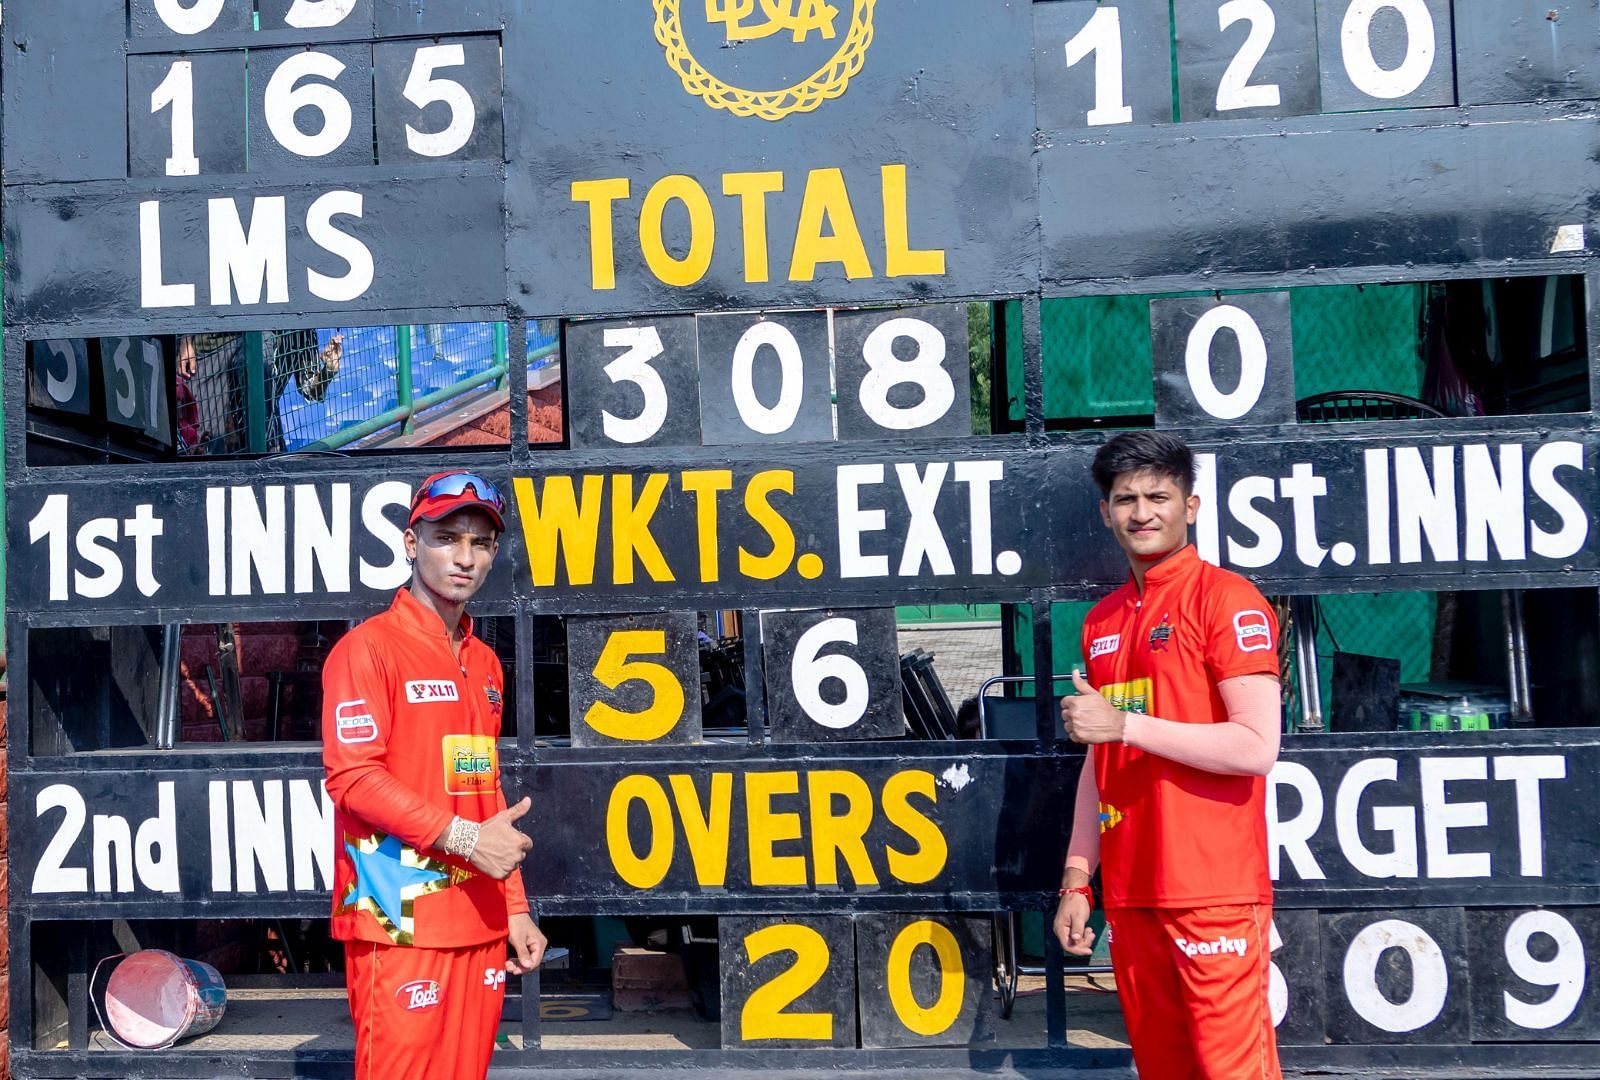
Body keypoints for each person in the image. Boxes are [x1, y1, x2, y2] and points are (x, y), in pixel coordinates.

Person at [1055, 431, 1283, 1080]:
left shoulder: (1227, 599)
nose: (1142, 512)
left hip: (1212, 890)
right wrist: (1078, 878)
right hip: (1132, 895)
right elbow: (1099, 760)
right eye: (1125, 498)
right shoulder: (1101, 620)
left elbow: (1256, 746)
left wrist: (1124, 724)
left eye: (1159, 496)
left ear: (1192, 505)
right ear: (1105, 511)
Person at [323, 471, 547, 1080]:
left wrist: (516, 907)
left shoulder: (485, 662)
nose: (464, 558)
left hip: (478, 917)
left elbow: (482, 785)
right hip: (398, 920)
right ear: (410, 542)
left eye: (480, 543)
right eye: (447, 538)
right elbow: (354, 780)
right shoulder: (366, 650)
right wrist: (468, 840)